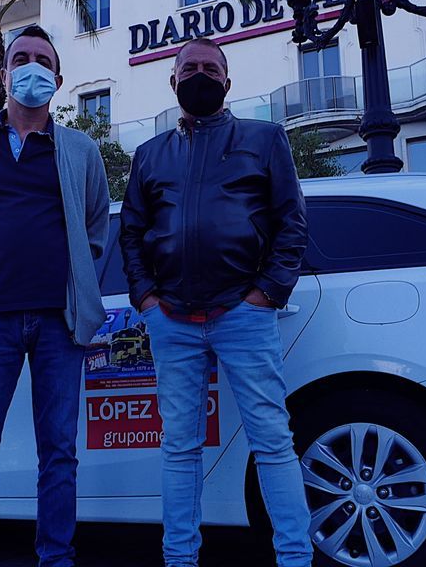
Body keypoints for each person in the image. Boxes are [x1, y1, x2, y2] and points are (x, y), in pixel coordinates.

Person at [119, 37, 312, 567]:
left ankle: (295, 558)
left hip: (242, 315)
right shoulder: (149, 155)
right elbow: (131, 234)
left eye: (210, 67)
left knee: (272, 442)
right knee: (179, 449)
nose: (199, 75)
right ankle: (179, 559)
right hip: (172, 319)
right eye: (189, 67)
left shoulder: (265, 139)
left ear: (227, 81)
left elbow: (291, 224)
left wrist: (264, 293)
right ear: (173, 79)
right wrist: (147, 299)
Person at [0, 25, 110, 567]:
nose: (31, 67)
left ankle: (55, 559)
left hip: (59, 322)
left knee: (59, 455)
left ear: (57, 80)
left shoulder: (80, 149)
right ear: (4, 72)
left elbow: (96, 227)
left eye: (42, 59)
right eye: (21, 58)